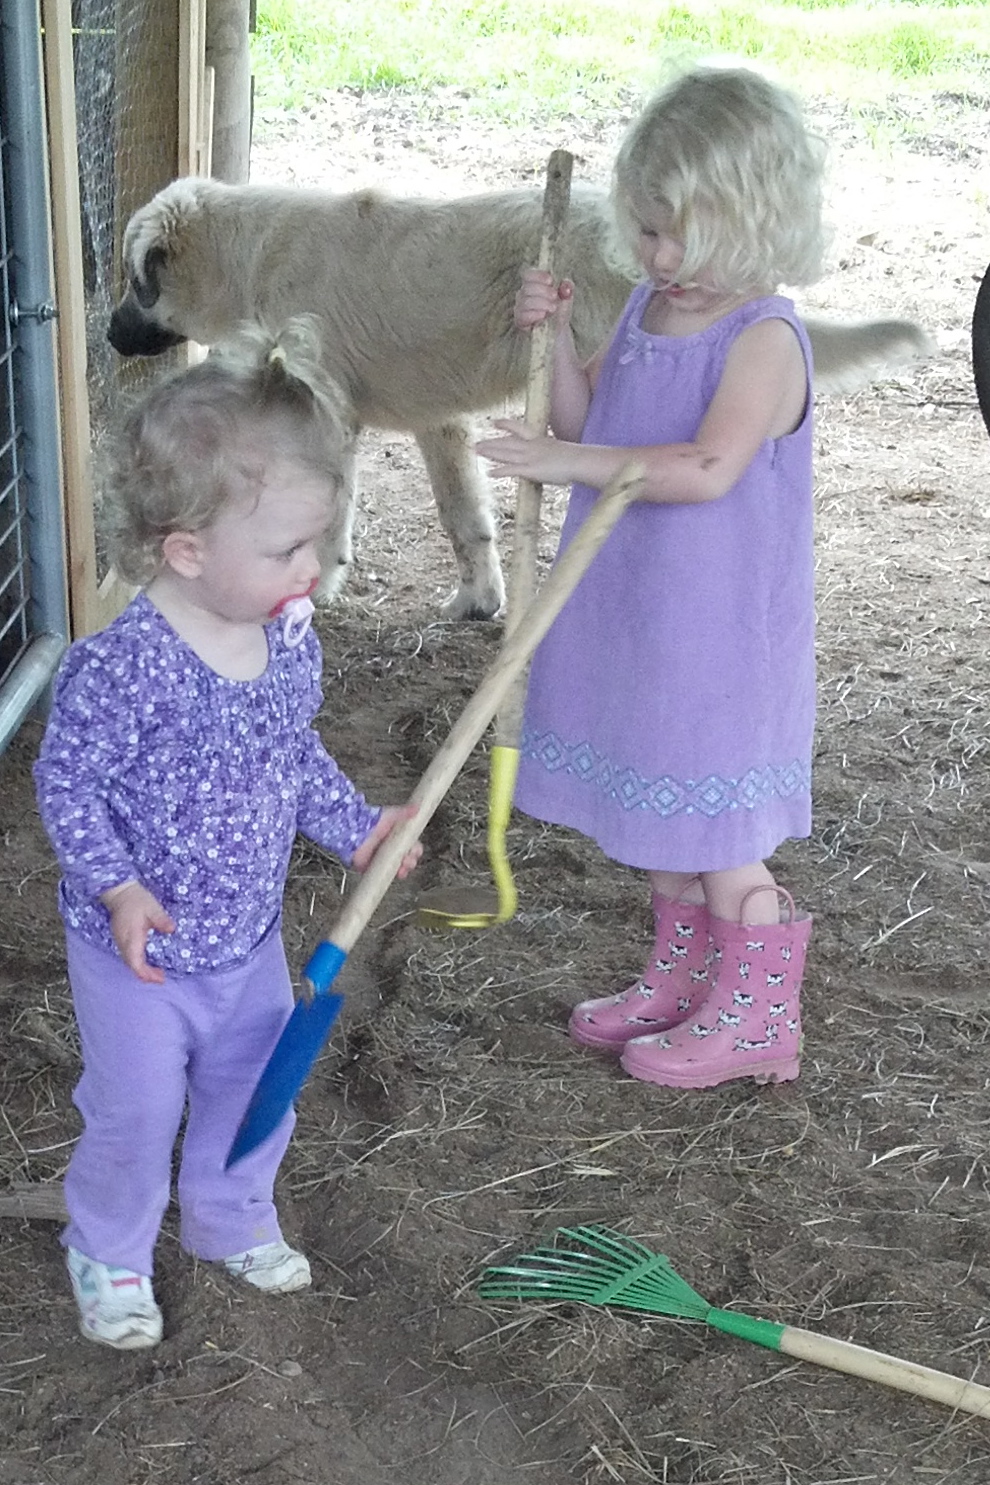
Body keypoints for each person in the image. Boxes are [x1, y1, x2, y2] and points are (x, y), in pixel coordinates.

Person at [34, 318, 422, 1350]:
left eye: (317, 542)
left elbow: (293, 755)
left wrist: (358, 829)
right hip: (140, 953)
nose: (313, 568)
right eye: (289, 548)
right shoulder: (124, 666)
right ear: (187, 550)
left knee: (255, 1089)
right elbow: (66, 783)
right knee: (137, 1108)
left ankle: (228, 1215)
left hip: (246, 941)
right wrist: (116, 885)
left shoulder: (284, 643)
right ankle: (108, 1247)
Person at [476, 64, 823, 1092]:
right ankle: (685, 979)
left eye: (681, 236)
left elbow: (707, 467)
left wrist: (562, 464)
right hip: (636, 615)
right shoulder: (644, 308)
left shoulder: (764, 337)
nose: (659, 257)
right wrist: (556, 343)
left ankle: (759, 1015)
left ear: (756, 218)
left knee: (718, 831)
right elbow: (594, 424)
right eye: (647, 232)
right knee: (668, 821)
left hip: (716, 636)